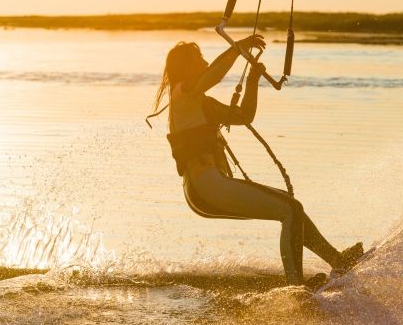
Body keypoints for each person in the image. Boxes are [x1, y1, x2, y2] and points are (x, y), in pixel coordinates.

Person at [153, 36, 363, 286]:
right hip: (206, 186)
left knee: (294, 208)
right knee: (290, 211)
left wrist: (252, 80)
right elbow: (213, 76)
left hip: (208, 188)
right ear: (187, 67)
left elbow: (243, 116)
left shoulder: (200, 103)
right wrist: (238, 48)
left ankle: (337, 260)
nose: (206, 62)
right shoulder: (181, 93)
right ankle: (297, 289)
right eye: (200, 59)